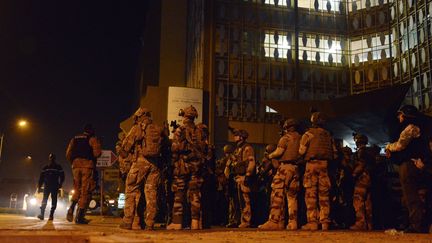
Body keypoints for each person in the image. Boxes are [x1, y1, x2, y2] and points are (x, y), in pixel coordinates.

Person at [119, 107, 167, 230]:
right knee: (151, 194)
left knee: (131, 189)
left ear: (139, 116)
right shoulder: (158, 129)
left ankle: (128, 221)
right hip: (154, 165)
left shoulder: (138, 128)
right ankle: (150, 223)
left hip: (140, 162)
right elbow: (166, 148)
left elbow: (125, 147)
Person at [385, 105, 431, 233]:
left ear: (404, 115)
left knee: (411, 196)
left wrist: (389, 147)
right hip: (421, 165)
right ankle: (421, 223)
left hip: (409, 165)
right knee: (420, 195)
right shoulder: (423, 128)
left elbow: (400, 145)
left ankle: (416, 225)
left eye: (400, 115)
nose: (399, 118)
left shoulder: (410, 127)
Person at [167, 105, 208, 230]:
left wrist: (173, 163)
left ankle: (177, 222)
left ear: (184, 115)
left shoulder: (180, 130)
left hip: (182, 166)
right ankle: (195, 223)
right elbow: (205, 149)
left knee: (179, 193)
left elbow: (174, 149)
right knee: (195, 194)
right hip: (196, 167)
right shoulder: (200, 131)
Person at [259, 118, 301, 230]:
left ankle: (275, 221)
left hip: (285, 168)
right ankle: (292, 222)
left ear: (287, 127)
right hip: (295, 168)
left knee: (277, 195)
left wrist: (270, 156)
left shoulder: (285, 138)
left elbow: (279, 152)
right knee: (292, 197)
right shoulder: (301, 137)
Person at [298, 112, 337, 231]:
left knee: (311, 195)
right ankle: (325, 222)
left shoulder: (308, 134)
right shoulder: (328, 135)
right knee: (324, 195)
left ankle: (312, 222)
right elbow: (334, 153)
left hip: (311, 165)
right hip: (324, 166)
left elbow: (301, 151)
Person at [66, 124, 102, 224]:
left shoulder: (75, 138)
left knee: (77, 188)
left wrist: (74, 162)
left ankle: (71, 208)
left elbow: (68, 153)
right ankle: (79, 217)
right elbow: (97, 153)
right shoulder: (92, 139)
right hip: (87, 166)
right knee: (85, 191)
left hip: (75, 166)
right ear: (91, 131)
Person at [224, 128, 255, 228]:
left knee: (245, 200)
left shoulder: (247, 148)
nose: (234, 137)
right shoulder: (238, 149)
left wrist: (248, 175)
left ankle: (246, 221)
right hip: (237, 178)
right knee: (237, 201)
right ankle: (236, 220)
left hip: (243, 177)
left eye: (236, 135)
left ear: (241, 137)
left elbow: (251, 162)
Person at [350, 133, 376, 230]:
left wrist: (354, 174)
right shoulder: (371, 152)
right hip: (370, 178)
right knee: (368, 202)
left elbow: (361, 164)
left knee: (358, 200)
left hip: (362, 178)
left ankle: (361, 223)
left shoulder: (362, 152)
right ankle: (369, 224)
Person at [37, 153, 65, 221]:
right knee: (49, 200)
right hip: (51, 186)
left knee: (48, 200)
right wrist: (60, 184)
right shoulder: (50, 167)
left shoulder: (48, 167)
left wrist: (39, 186)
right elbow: (41, 178)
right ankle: (44, 215)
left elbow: (41, 178)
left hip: (52, 186)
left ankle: (49, 215)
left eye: (52, 158)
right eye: (51, 158)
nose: (51, 159)